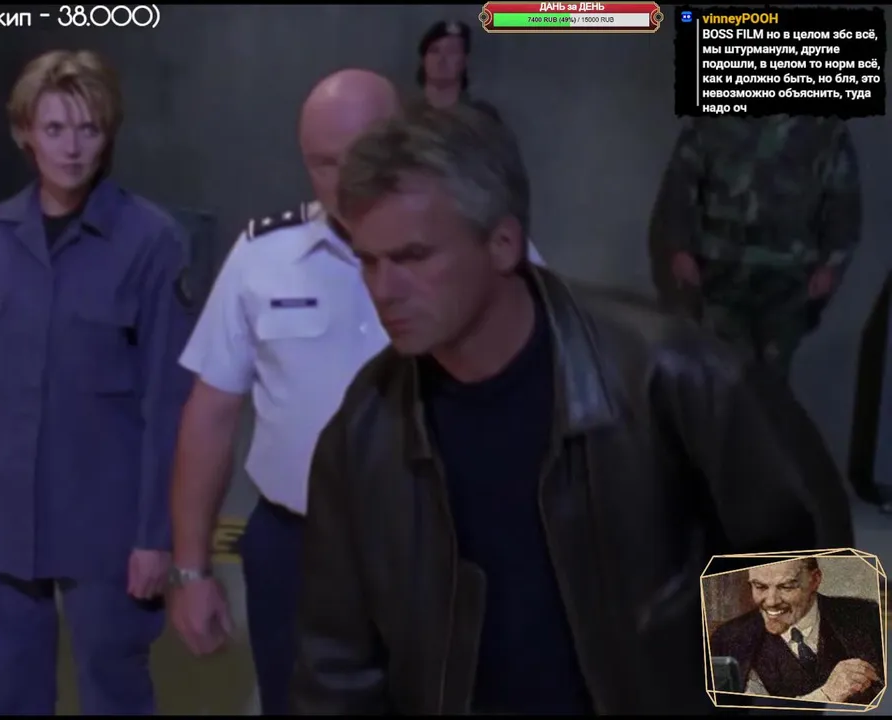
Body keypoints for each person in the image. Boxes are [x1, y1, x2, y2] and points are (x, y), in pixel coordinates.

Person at [290, 103, 855, 714]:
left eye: (413, 256)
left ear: (503, 243)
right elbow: (337, 660)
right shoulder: (366, 427)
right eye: (369, 260)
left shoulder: (672, 374)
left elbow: (806, 565)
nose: (383, 289)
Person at [169, 71, 548, 716]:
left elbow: (755, 541)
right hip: (302, 544)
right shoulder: (265, 256)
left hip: (449, 541)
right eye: (325, 162)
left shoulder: (649, 369)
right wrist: (191, 569)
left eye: (366, 149)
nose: (349, 177)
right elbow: (211, 413)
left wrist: (750, 684)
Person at [0, 49, 195, 715]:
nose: (72, 149)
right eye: (54, 129)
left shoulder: (151, 241)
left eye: (88, 129)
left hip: (105, 519)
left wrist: (155, 534)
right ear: (24, 132)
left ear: (110, 134)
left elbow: (168, 403)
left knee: (115, 692)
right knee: (7, 694)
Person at [648, 115, 861, 378]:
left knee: (771, 375)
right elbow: (679, 190)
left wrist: (831, 265)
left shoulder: (825, 130)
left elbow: (844, 205)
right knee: (719, 370)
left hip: (787, 278)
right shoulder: (712, 121)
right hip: (721, 273)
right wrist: (680, 250)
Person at [711, 558, 883, 706]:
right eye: (760, 587)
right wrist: (826, 695)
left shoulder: (867, 616)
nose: (771, 602)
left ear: (814, 580)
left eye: (786, 587)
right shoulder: (727, 639)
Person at [415, 19, 500, 120]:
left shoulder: (482, 117)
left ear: (465, 60)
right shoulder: (407, 115)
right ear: (423, 60)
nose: (441, 59)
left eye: (452, 51)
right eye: (435, 51)